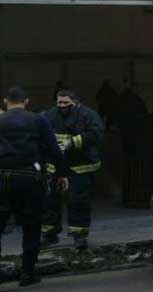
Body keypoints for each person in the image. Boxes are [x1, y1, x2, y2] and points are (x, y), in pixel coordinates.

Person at [0, 87, 68, 286]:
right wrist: (62, 174)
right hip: (30, 179)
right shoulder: (38, 120)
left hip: (1, 179)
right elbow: (54, 149)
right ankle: (27, 274)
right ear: (26, 101)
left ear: (6, 102)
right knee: (31, 226)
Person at [42, 90, 104, 250]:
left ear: (75, 102)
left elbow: (96, 133)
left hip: (80, 166)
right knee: (49, 202)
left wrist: (72, 143)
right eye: (59, 103)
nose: (62, 106)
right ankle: (49, 235)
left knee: (78, 202)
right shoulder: (49, 115)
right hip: (54, 167)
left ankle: (79, 237)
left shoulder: (88, 115)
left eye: (65, 103)